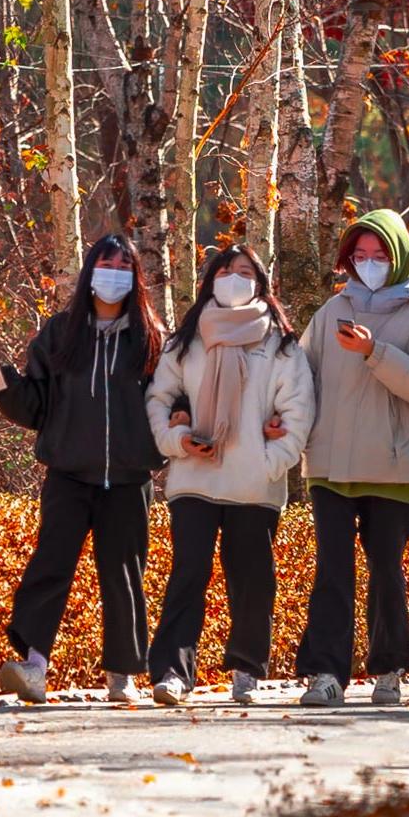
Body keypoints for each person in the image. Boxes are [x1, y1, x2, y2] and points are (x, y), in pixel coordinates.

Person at [0, 231, 165, 705]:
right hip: (67, 473)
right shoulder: (59, 334)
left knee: (123, 573)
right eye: (106, 265)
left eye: (124, 268)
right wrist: (3, 387)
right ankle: (35, 666)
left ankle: (121, 676)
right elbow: (36, 408)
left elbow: (170, 401)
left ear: (135, 278)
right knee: (51, 566)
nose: (114, 275)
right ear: (89, 273)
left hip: (129, 477)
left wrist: (177, 428)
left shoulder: (152, 339)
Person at [143, 244, 314, 707]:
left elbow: (297, 414)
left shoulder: (281, 345)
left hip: (254, 485)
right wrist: (177, 442)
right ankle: (172, 672)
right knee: (189, 572)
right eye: (225, 271)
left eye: (244, 272)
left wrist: (268, 460)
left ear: (261, 283)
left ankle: (246, 669)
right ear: (210, 280)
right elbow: (160, 400)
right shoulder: (187, 341)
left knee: (252, 577)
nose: (234, 279)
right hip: (195, 477)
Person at [296, 208, 409, 706]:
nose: (369, 264)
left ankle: (388, 670)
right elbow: (303, 377)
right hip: (329, 465)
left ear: (400, 255)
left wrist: (375, 351)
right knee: (332, 570)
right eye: (360, 256)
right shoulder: (330, 312)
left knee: (386, 569)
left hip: (392, 465)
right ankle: (325, 676)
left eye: (379, 255)